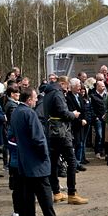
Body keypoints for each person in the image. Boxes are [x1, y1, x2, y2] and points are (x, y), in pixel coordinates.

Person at [10, 87, 70, 216]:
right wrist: (45, 156)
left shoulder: (17, 112)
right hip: (36, 161)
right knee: (45, 194)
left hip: (25, 161)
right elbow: (38, 138)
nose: (37, 100)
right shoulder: (29, 113)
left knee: (29, 195)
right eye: (35, 98)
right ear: (29, 99)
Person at [42, 76, 88, 204]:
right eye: (66, 86)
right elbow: (63, 112)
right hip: (61, 132)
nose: (67, 89)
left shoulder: (48, 93)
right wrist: (73, 114)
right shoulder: (57, 93)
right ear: (62, 84)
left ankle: (56, 192)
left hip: (52, 132)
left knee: (54, 161)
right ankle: (72, 194)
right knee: (72, 162)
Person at [90, 80, 107, 159]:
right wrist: (95, 117)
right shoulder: (93, 96)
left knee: (104, 135)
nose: (104, 87)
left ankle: (103, 150)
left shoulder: (106, 95)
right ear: (97, 87)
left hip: (106, 118)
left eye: (104, 86)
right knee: (99, 135)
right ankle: (97, 151)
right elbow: (91, 108)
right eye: (102, 86)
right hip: (98, 118)